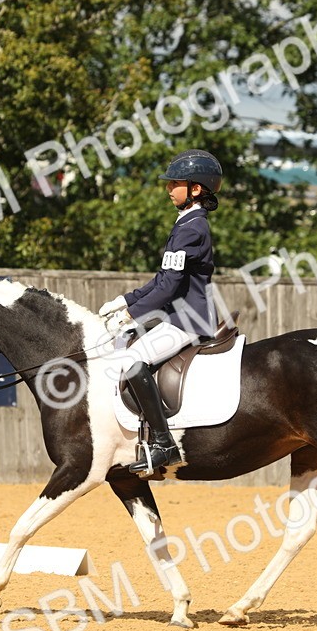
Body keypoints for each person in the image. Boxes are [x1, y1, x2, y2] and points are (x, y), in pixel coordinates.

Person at [99, 149, 223, 476]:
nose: (169, 189)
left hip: (189, 319)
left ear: (196, 188)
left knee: (130, 360)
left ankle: (163, 444)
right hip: (177, 315)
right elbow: (163, 280)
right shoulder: (187, 223)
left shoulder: (192, 228)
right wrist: (125, 301)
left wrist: (132, 315)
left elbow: (168, 289)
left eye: (175, 184)